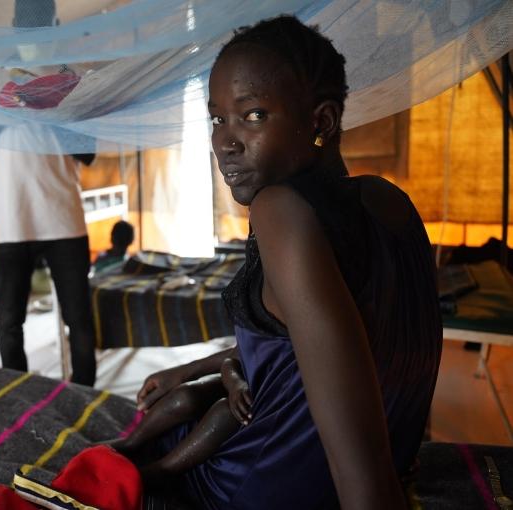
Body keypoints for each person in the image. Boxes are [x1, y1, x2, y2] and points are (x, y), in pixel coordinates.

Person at [109, 15, 442, 509]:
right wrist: (193, 369)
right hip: (345, 463)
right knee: (190, 399)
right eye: (218, 118)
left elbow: (364, 478)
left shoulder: (281, 210)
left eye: (254, 115)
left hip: (264, 486)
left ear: (320, 122)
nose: (225, 141)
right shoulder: (387, 200)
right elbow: (304, 355)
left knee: (161, 433)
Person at [0, 126, 98, 387]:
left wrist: (48, 112)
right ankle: (19, 392)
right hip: (10, 222)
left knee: (78, 317)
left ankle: (84, 391)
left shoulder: (67, 89)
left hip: (63, 220)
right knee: (8, 321)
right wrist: (7, 111)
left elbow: (88, 153)